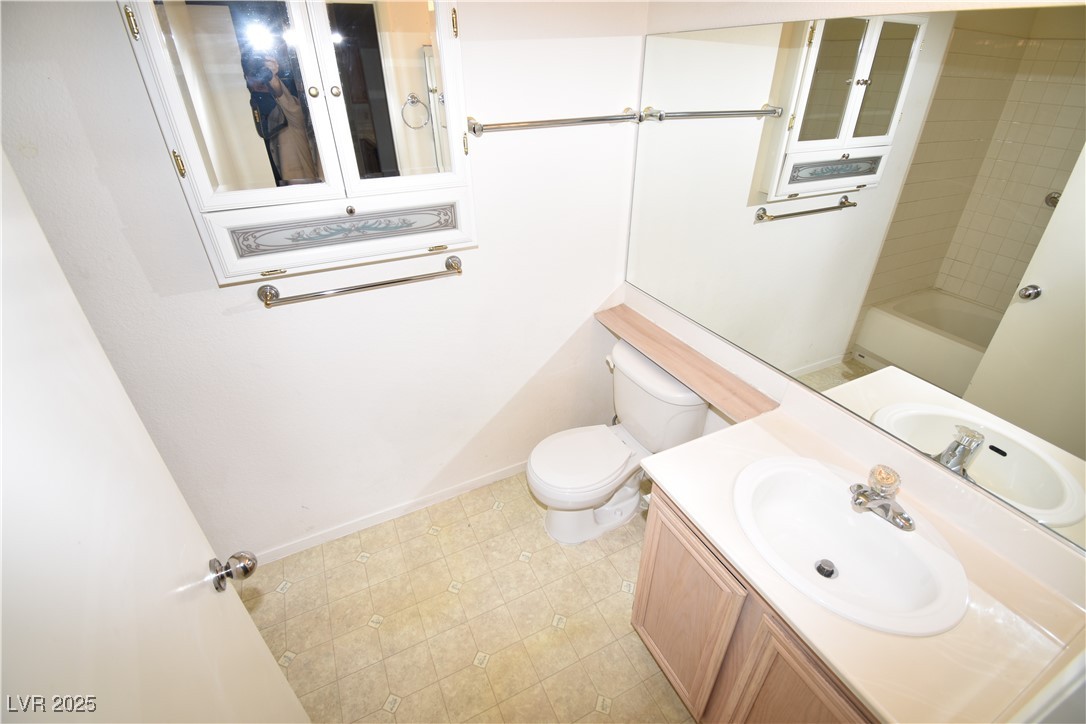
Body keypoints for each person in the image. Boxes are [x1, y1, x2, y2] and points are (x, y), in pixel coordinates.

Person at [245, 56, 318, 184]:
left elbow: (287, 102)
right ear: (246, 77)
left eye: (260, 71)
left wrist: (272, 78)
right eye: (253, 73)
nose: (260, 80)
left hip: (301, 187)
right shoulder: (246, 108)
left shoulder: (286, 109)